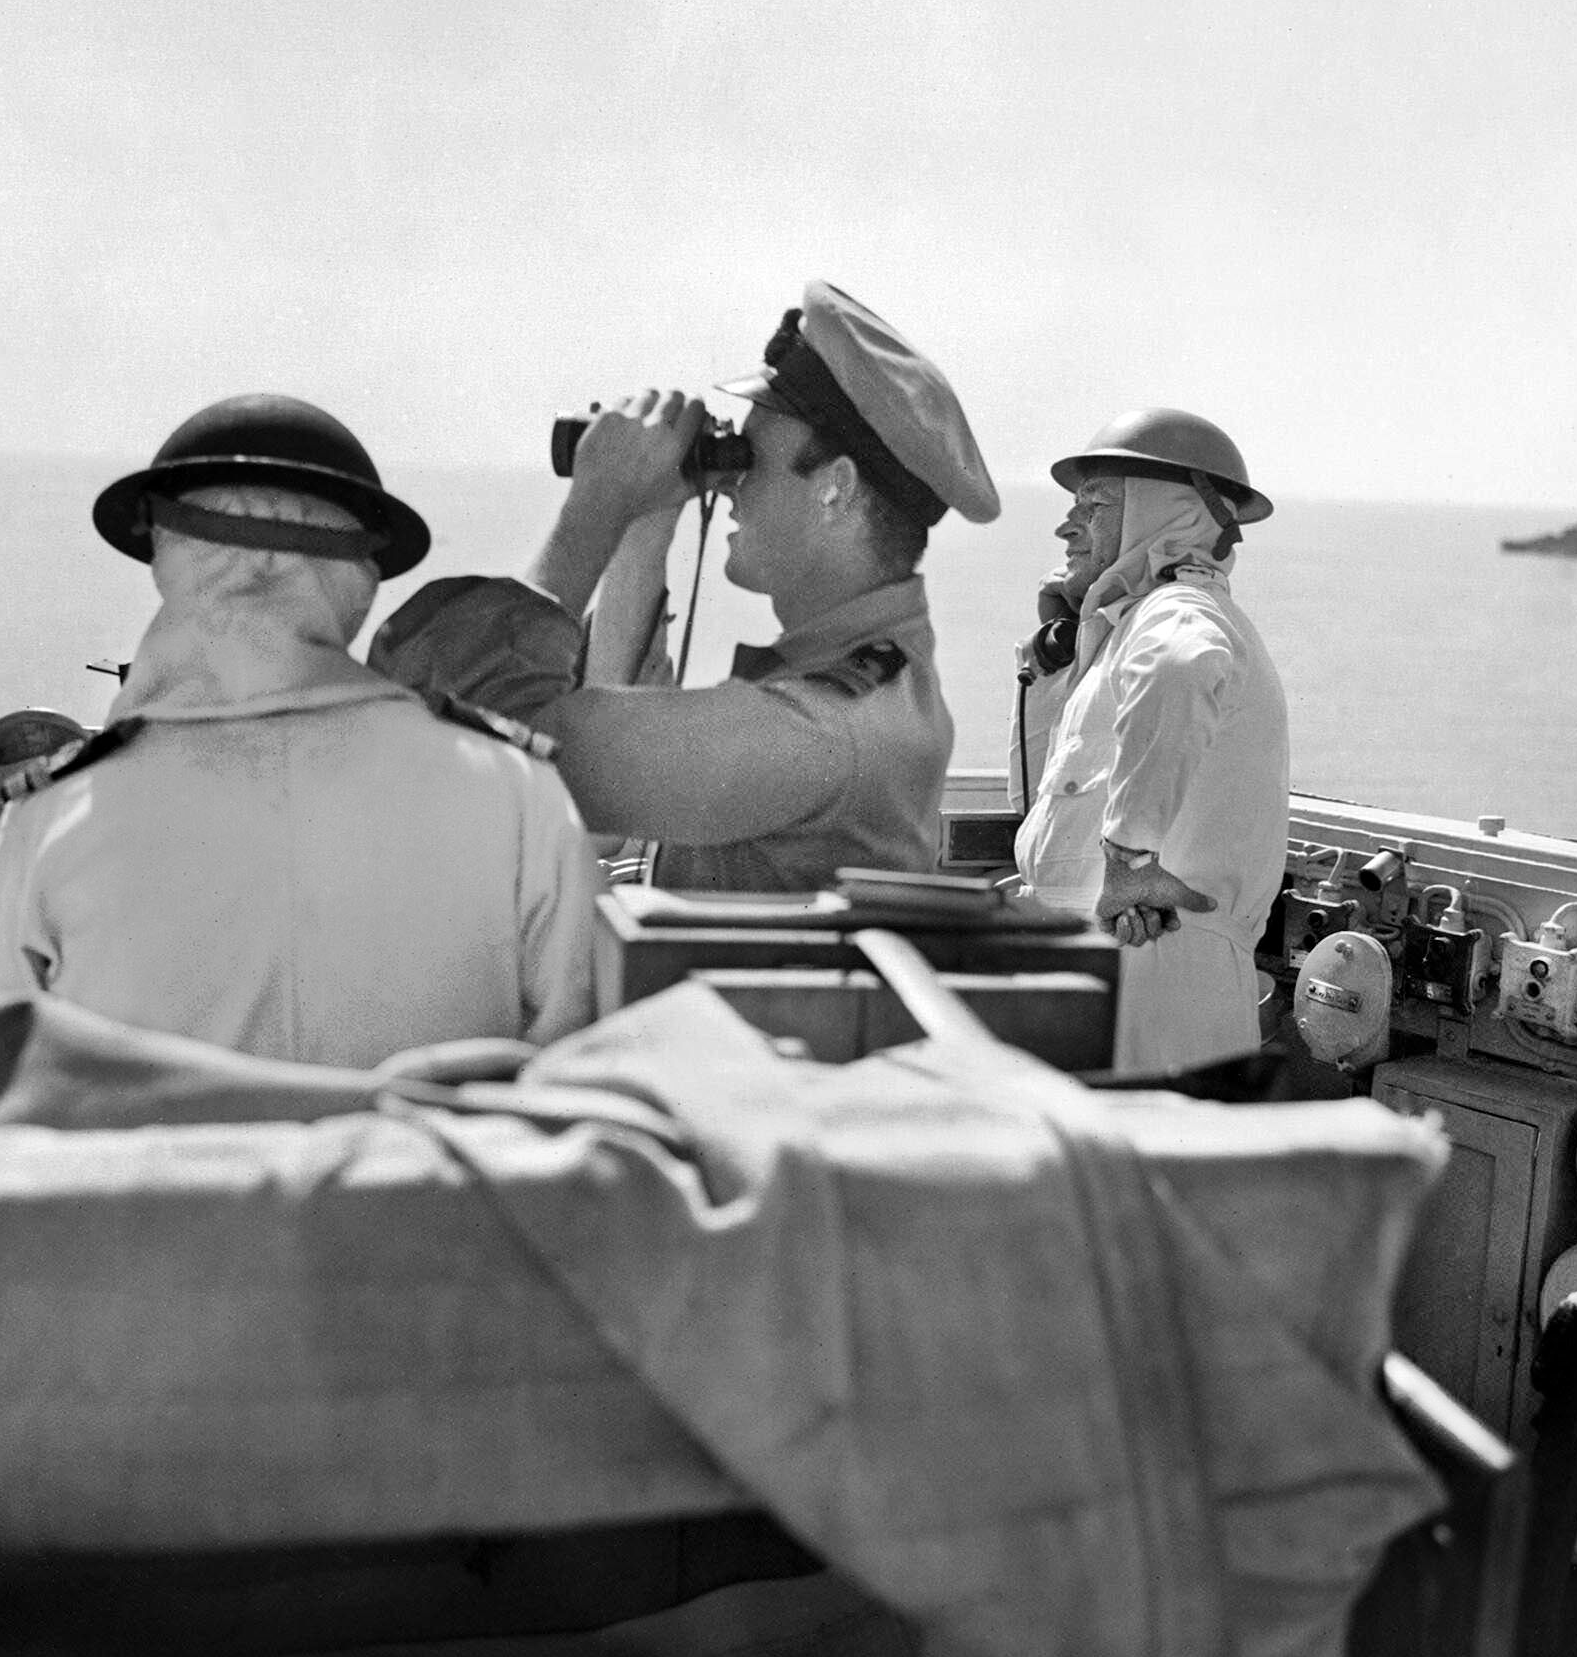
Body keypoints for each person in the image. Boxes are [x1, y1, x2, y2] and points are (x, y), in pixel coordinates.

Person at [0, 394, 599, 1069]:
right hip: (418, 1171)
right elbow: (580, 1059)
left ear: (166, 559)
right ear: (362, 579)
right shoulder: (515, 793)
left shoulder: (54, 819)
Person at [370, 281, 1000, 892]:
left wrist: (595, 511)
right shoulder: (866, 689)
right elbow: (608, 783)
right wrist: (648, 522)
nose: (726, 484)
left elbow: (472, 748)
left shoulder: (819, 731)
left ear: (834, 488)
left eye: (747, 459)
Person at [1010, 409, 1288, 1074]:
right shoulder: (1134, 624)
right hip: (1126, 954)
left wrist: (1130, 861)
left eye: (1094, 506)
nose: (1065, 526)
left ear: (1164, 516)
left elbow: (1180, 666)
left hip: (1158, 962)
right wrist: (1064, 650)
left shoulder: (1177, 613)